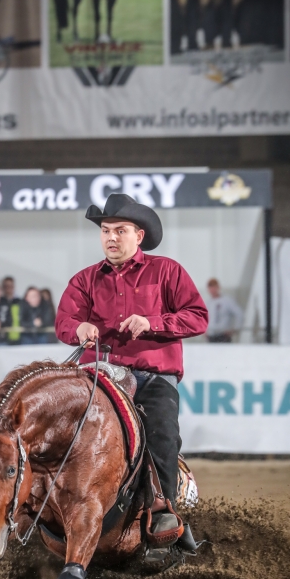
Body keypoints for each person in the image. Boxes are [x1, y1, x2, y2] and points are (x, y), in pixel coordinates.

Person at [55, 193, 208, 553]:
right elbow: (64, 320)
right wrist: (78, 330)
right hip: (100, 377)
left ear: (138, 236)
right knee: (58, 432)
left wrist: (153, 323)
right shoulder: (85, 280)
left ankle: (163, 512)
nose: (110, 237)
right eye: (105, 231)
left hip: (153, 377)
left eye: (119, 230)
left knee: (162, 437)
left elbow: (198, 316)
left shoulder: (167, 271)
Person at [205, 278, 243, 343]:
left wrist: (235, 329)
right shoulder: (208, 303)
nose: (212, 290)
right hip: (211, 336)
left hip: (223, 335)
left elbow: (239, 314)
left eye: (214, 287)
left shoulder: (227, 301)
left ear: (218, 287)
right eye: (210, 288)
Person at [1, 276, 22, 345]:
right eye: (6, 286)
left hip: (18, 335)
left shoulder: (19, 302)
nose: (8, 289)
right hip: (3, 336)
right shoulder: (0, 302)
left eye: (10, 286)